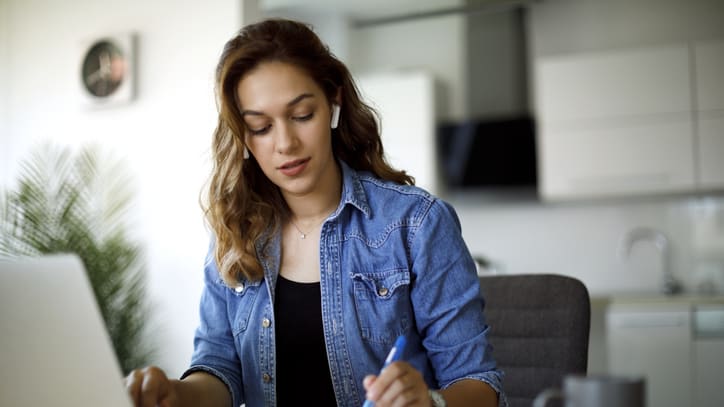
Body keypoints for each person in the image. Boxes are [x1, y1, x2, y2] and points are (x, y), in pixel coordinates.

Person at [125, 18, 506, 407]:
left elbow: (477, 383)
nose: (285, 144)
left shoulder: (416, 225)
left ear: (334, 105)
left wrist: (430, 403)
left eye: (302, 115)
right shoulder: (236, 233)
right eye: (260, 127)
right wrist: (175, 394)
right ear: (243, 135)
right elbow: (219, 369)